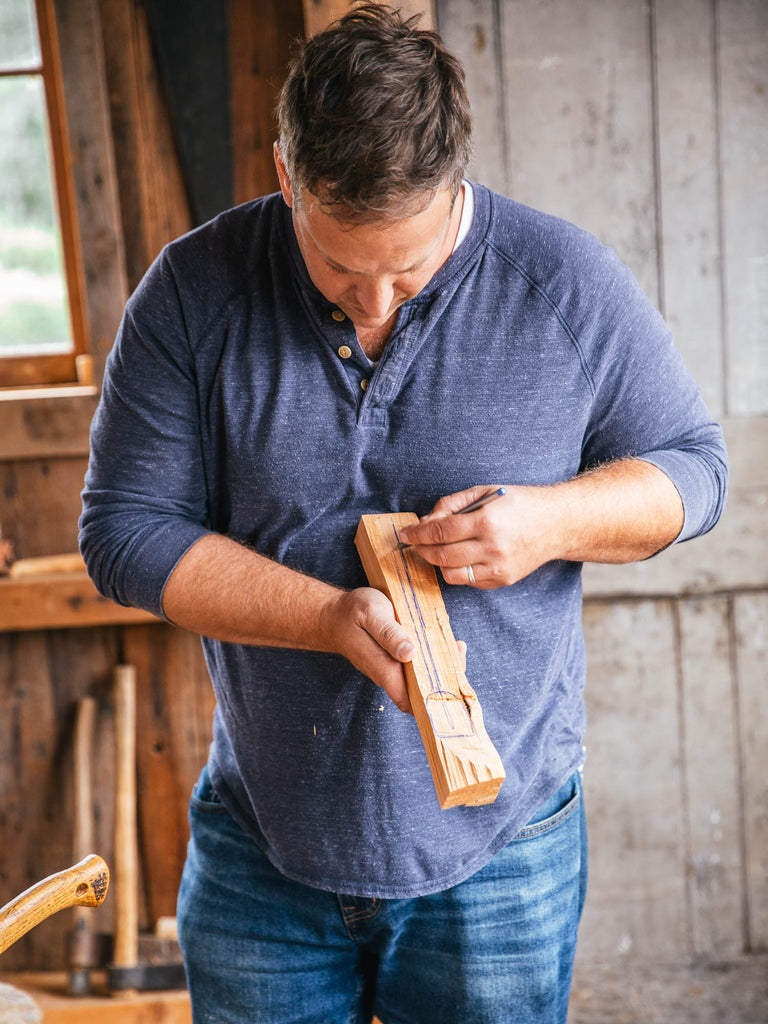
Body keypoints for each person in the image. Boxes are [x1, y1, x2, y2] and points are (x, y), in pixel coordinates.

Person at [79, 5, 728, 1023]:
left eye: (411, 274)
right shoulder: (192, 294)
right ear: (289, 177)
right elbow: (124, 533)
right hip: (264, 846)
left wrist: (551, 521)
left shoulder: (566, 283)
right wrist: (327, 619)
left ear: (455, 185)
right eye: (341, 271)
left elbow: (697, 473)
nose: (375, 304)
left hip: (504, 851)